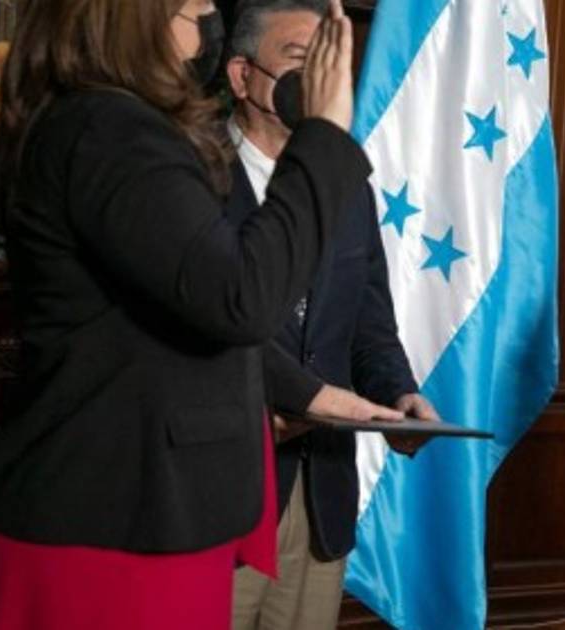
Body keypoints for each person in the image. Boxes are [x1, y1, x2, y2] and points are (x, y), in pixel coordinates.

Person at [0, 1, 404, 628]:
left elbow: (189, 309)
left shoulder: (109, 123)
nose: (209, 13)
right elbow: (239, 299)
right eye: (194, 3)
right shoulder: (111, 129)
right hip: (107, 530)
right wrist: (325, 133)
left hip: (143, 513)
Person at [219, 2, 437, 628]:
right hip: (223, 491)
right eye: (298, 60)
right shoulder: (193, 175)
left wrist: (398, 395)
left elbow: (370, 323)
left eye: (327, 62)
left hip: (322, 492)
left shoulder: (347, 186)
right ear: (242, 76)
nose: (317, 79)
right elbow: (212, 320)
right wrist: (305, 397)